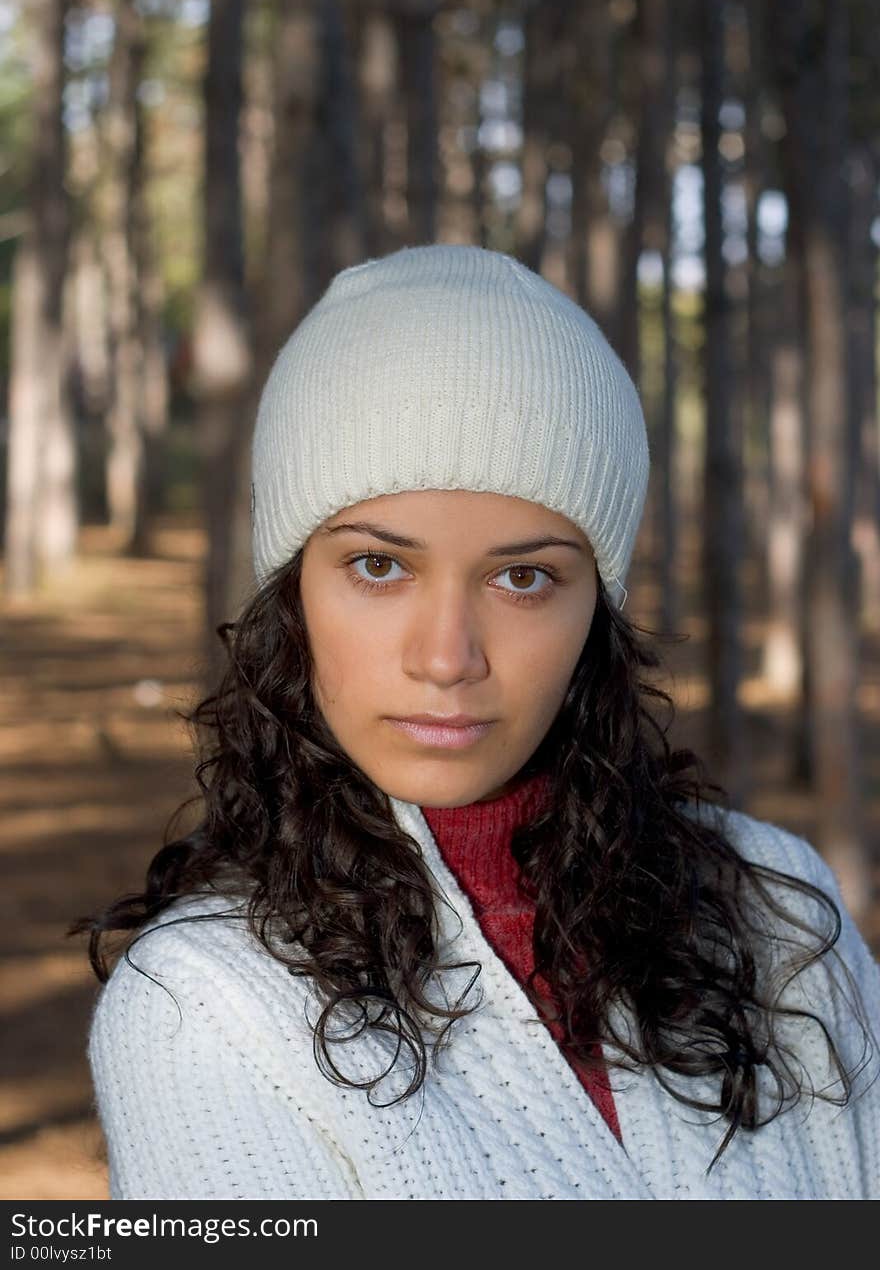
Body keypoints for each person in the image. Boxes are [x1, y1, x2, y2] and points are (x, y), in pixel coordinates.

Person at [74, 243, 879, 1201]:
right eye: (379, 566)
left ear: (598, 610)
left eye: (523, 576)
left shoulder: (779, 913)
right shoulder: (202, 1010)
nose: (449, 657)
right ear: (291, 594)